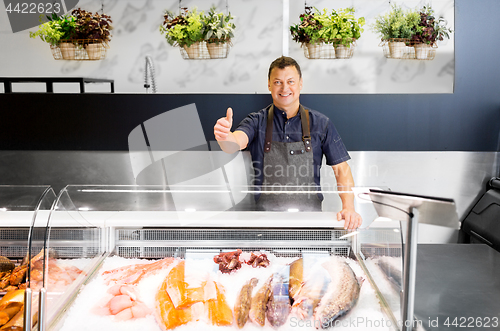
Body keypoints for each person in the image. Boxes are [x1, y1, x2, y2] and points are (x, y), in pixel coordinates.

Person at [214, 56, 362, 230]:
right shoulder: (256, 121)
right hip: (264, 225)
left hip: (311, 226)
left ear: (300, 83)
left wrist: (349, 207)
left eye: (290, 81)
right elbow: (235, 142)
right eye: (278, 82)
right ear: (269, 85)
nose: (285, 88)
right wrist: (224, 136)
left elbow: (341, 169)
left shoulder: (321, 123)